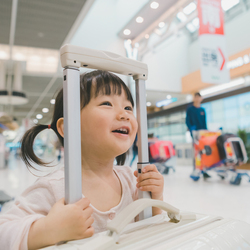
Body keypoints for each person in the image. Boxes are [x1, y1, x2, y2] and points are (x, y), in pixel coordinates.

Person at [0, 70, 164, 250]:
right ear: (69, 126)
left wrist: (154, 202)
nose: (124, 114)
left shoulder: (132, 180)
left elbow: (145, 231)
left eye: (128, 108)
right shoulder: (55, 188)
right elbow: (4, 231)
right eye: (107, 103)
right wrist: (48, 229)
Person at [186, 92, 210, 178]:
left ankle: (204, 171)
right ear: (194, 98)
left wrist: (206, 132)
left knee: (204, 152)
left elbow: (204, 123)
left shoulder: (202, 110)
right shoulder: (190, 109)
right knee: (196, 153)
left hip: (203, 134)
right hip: (195, 133)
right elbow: (187, 121)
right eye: (196, 97)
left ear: (201, 98)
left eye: (199, 97)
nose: (197, 99)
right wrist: (192, 129)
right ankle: (195, 170)